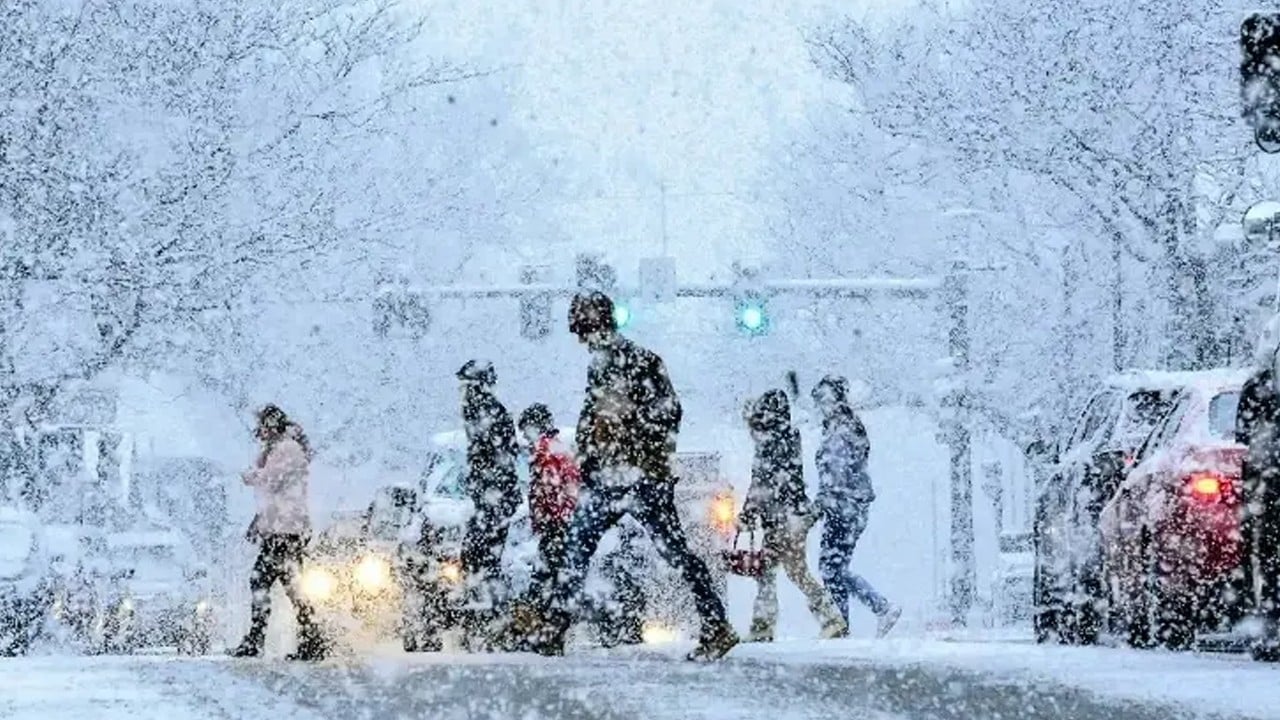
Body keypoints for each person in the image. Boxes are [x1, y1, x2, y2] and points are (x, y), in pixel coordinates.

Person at [530, 291, 738, 661]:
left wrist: (630, 438)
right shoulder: (605, 361)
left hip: (635, 477)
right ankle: (554, 629)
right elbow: (600, 416)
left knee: (591, 551)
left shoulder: (636, 360)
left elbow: (669, 412)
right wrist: (595, 452)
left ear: (596, 326)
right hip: (619, 477)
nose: (582, 340)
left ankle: (716, 625)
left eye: (584, 330)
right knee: (590, 550)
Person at [740, 389, 847, 642]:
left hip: (783, 517)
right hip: (793, 514)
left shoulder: (770, 440)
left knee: (784, 570)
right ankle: (826, 618)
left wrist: (748, 512)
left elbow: (761, 482)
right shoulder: (788, 435)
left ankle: (827, 619)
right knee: (784, 570)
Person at [229, 404, 328, 660]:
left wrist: (251, 475)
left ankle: (260, 640)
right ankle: (311, 638)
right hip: (281, 528)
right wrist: (258, 522)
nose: (258, 432)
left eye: (261, 426)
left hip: (285, 529)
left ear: (271, 426)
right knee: (291, 586)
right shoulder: (279, 449)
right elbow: (272, 496)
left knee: (264, 581)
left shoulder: (287, 449)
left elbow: (272, 482)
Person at [811, 375, 901, 638]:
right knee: (835, 568)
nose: (821, 407)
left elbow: (836, 476)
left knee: (831, 568)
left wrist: (819, 505)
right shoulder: (847, 427)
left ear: (836, 400)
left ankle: (875, 609)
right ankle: (845, 623)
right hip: (851, 507)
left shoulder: (841, 430)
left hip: (843, 507)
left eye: (824, 400)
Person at [456, 359, 521, 646]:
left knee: (482, 558)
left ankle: (497, 618)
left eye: (467, 386)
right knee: (478, 557)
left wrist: (487, 490)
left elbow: (498, 460)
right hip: (489, 498)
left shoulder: (488, 413)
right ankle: (490, 617)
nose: (463, 393)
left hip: (494, 499)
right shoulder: (481, 413)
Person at [1237, 314, 1280, 662]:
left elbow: (1244, 436)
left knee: (1268, 557)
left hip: (1269, 482)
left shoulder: (1260, 383)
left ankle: (1271, 626)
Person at [517, 403, 581, 606]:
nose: (525, 438)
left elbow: (551, 490)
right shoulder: (557, 446)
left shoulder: (544, 452)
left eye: (526, 432)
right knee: (556, 574)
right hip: (564, 524)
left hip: (557, 526)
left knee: (546, 575)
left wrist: (549, 521)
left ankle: (540, 615)